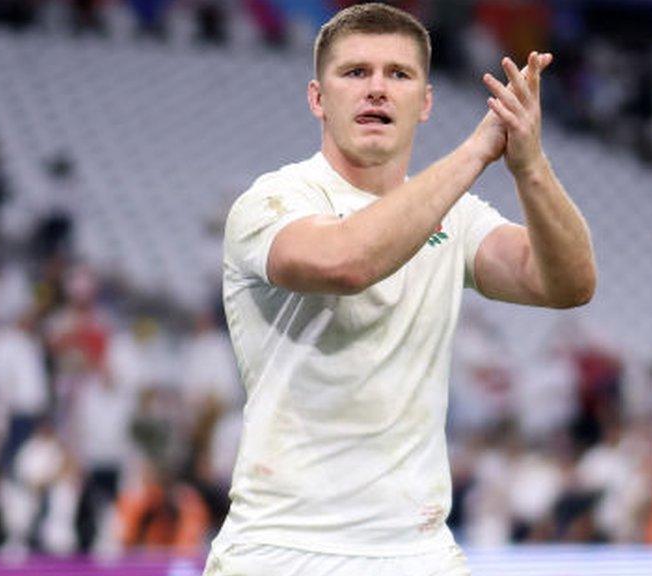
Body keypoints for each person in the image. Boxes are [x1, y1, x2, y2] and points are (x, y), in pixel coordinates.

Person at [205, 4, 596, 575]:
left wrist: (529, 164)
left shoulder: (456, 216)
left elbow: (569, 283)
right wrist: (477, 151)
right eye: (356, 72)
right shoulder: (272, 202)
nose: (377, 90)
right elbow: (347, 261)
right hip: (284, 548)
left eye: (399, 74)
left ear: (426, 102)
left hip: (418, 551)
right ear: (318, 98)